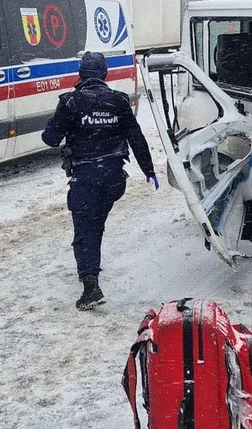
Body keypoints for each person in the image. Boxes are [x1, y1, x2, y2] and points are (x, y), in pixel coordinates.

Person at [42, 51, 157, 310]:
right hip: (114, 179)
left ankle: (90, 286)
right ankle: (90, 267)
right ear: (104, 74)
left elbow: (49, 138)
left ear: (81, 74)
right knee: (95, 225)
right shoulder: (118, 101)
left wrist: (63, 122)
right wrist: (149, 170)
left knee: (85, 231)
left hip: (86, 178)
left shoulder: (71, 102)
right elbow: (136, 137)